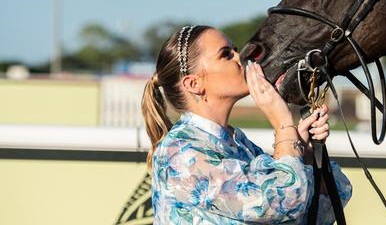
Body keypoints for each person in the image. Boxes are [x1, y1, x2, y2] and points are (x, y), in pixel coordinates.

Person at [141, 25, 352, 224]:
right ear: (193, 84)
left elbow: (317, 210)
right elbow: (284, 201)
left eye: (235, 50)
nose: (240, 57)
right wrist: (283, 124)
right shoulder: (181, 153)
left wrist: (303, 152)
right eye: (226, 54)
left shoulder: (237, 143)